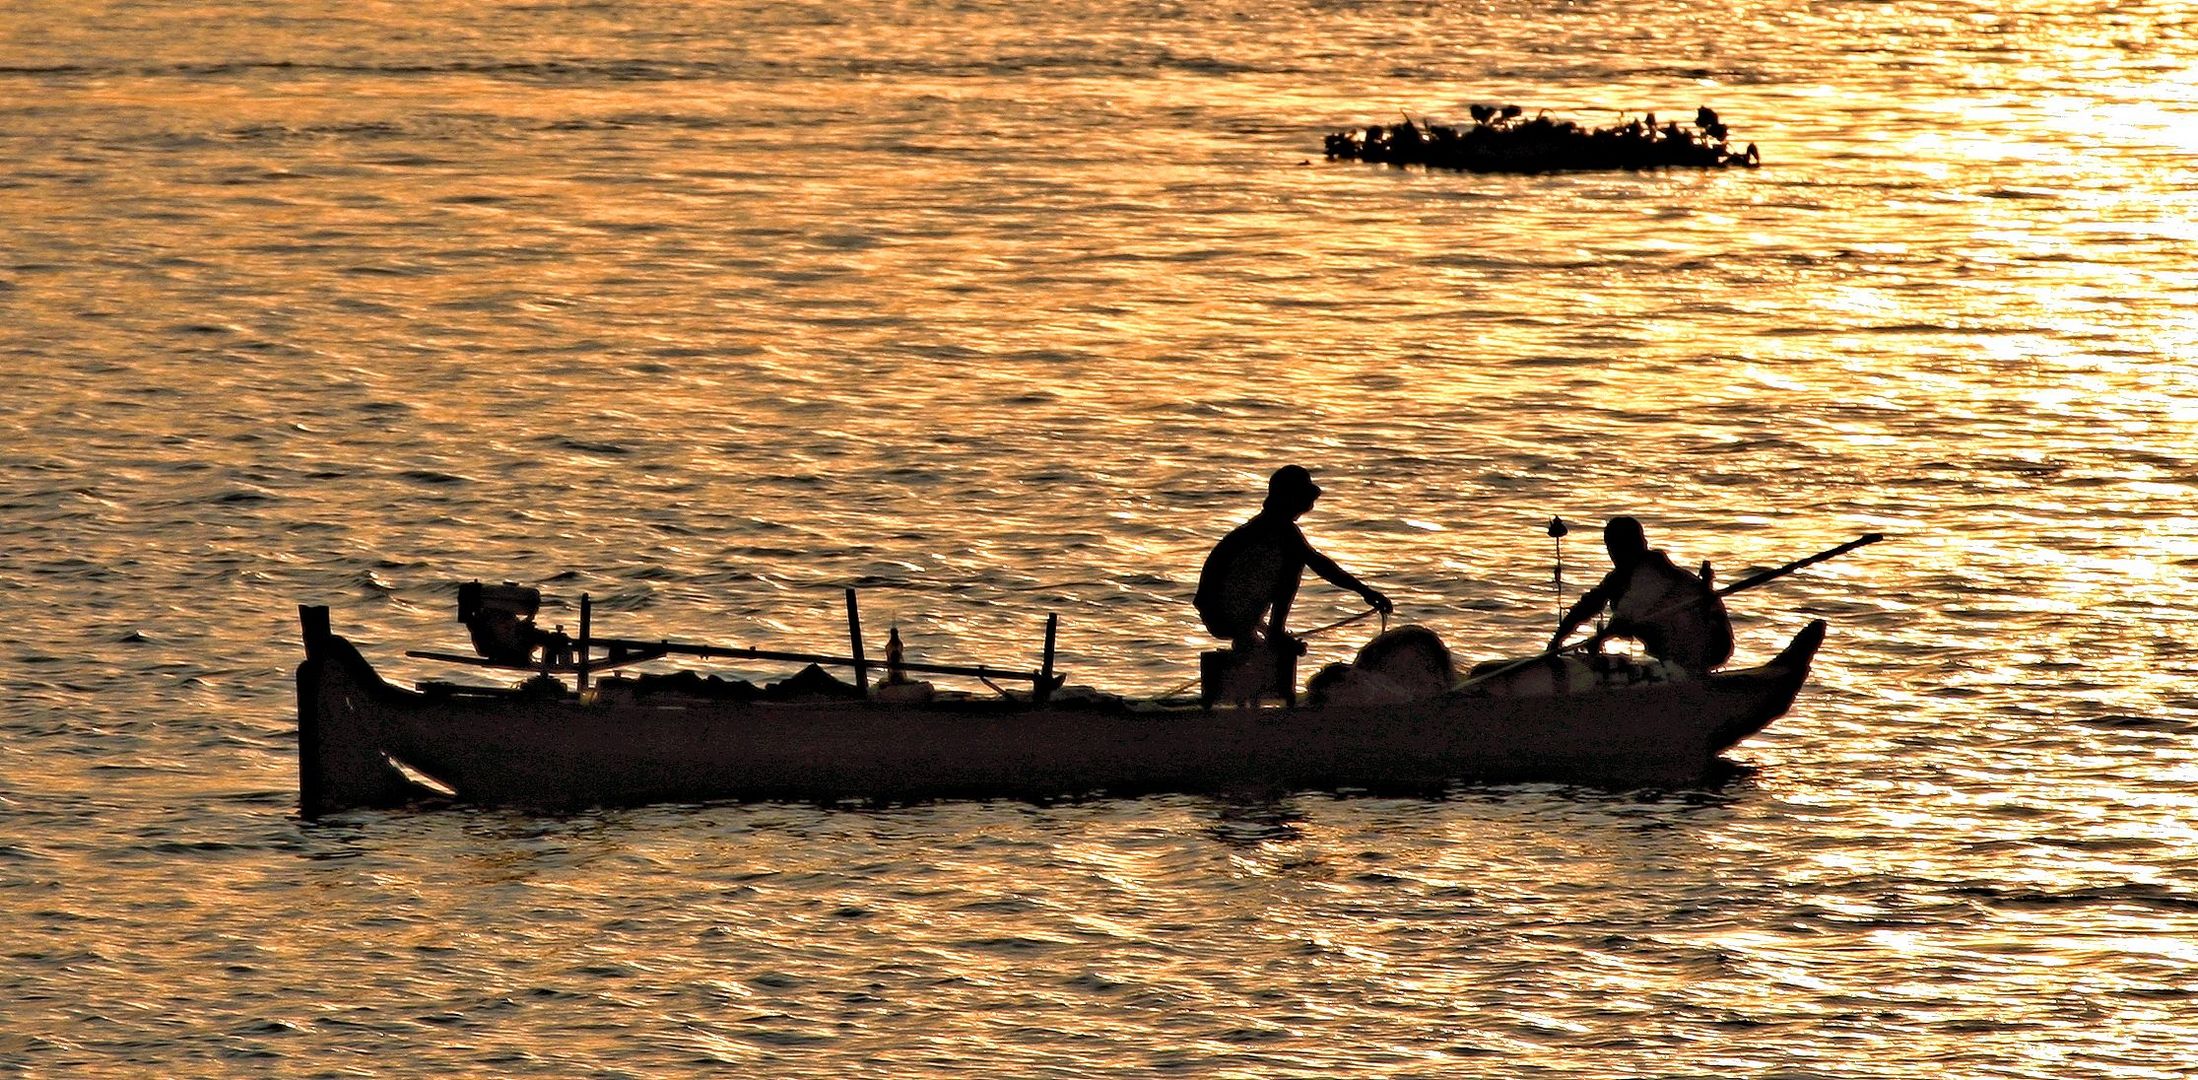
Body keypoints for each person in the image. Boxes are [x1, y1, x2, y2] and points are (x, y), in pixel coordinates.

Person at [1194, 465, 1392, 652]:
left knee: (1290, 558)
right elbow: (1319, 564)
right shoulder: (1277, 529)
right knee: (1293, 561)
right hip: (1223, 613)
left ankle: (1254, 636)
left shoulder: (1267, 526)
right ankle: (1274, 633)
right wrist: (1365, 591)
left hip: (1222, 611)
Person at [1547, 516, 1732, 675]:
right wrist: (1558, 639)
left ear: (1637, 544)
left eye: (1617, 547)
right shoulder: (1618, 577)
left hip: (1710, 644)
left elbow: (1627, 615)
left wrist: (1600, 638)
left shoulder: (1653, 572)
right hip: (1680, 646)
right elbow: (1589, 605)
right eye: (1610, 547)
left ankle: (1686, 676)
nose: (1612, 553)